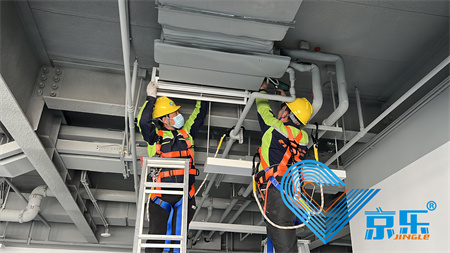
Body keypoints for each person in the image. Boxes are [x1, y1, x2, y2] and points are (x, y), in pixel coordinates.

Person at [137, 81, 207, 253]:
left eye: (177, 111)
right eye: (174, 113)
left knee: (178, 242)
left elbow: (200, 113)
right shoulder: (156, 137)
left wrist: (203, 92)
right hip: (161, 195)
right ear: (164, 119)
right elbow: (143, 122)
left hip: (185, 195)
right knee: (156, 240)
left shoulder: (187, 132)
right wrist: (151, 97)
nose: (178, 115)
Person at [255, 79, 313, 253]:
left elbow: (262, 108)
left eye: (283, 108)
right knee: (283, 241)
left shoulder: (274, 127)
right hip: (292, 193)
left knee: (283, 243)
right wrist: (285, 100)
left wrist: (263, 91)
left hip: (277, 191)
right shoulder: (303, 138)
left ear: (287, 113)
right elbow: (285, 120)